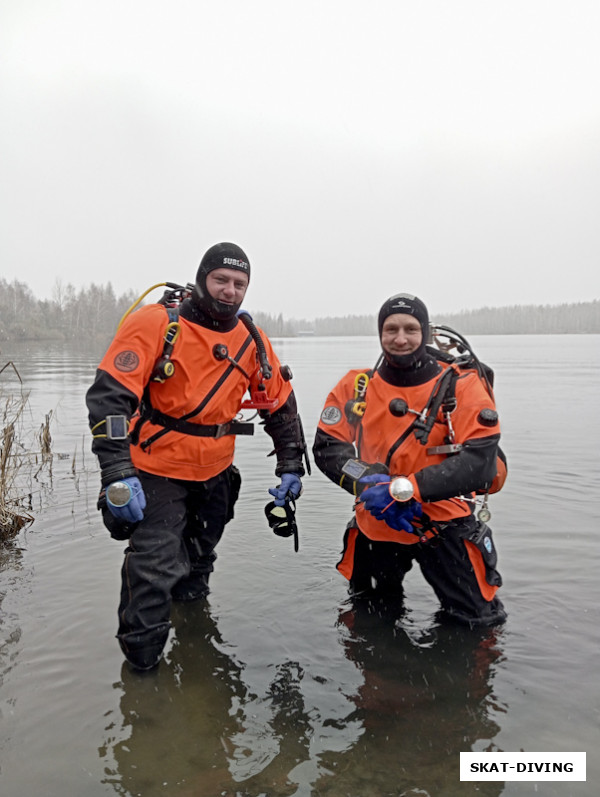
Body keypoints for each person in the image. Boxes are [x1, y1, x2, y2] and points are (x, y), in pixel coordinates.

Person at [86, 242, 307, 670]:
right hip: (153, 471)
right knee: (152, 570)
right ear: (202, 278)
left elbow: (279, 405)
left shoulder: (252, 339)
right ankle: (143, 675)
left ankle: (194, 642)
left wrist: (290, 464)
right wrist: (116, 470)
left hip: (215, 474)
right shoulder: (156, 323)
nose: (229, 291)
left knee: (198, 562)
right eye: (221, 280)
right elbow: (109, 398)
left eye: (239, 284)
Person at [313, 293, 507, 627]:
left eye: (410, 329)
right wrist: (366, 480)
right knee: (370, 622)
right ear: (379, 333)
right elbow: (328, 448)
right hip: (378, 519)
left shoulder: (461, 385)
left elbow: (480, 463)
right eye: (391, 329)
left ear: (425, 332)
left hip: (444, 523)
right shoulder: (356, 386)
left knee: (478, 624)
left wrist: (406, 490)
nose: (400, 338)